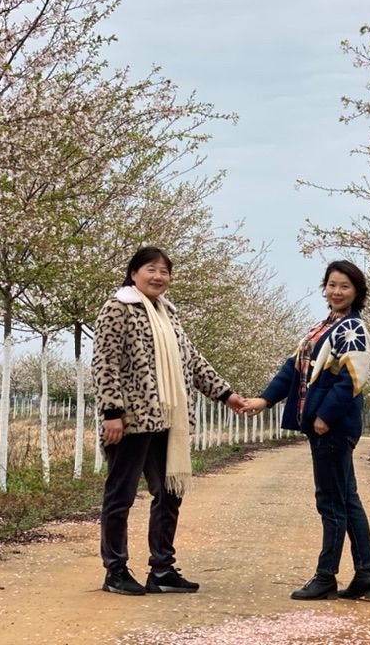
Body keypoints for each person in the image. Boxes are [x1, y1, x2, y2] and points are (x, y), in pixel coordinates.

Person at [91, 246, 246, 595]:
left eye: (164, 271)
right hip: (130, 420)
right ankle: (114, 570)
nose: (158, 276)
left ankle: (161, 568)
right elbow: (104, 363)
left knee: (169, 493)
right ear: (134, 273)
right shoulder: (118, 309)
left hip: (168, 420)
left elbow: (191, 361)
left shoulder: (167, 313)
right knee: (121, 495)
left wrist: (227, 395)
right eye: (151, 269)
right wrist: (112, 412)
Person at [244, 260, 370, 601]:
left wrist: (325, 417)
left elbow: (352, 378)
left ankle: (326, 576)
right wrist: (265, 399)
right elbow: (292, 370)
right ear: (324, 287)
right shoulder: (322, 328)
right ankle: (366, 575)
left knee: (331, 502)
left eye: (345, 286)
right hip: (323, 426)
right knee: (346, 500)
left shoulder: (352, 329)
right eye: (332, 285)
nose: (337, 291)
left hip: (331, 428)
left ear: (356, 292)